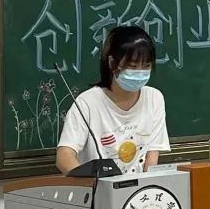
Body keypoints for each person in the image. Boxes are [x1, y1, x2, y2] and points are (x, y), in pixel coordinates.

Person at [56, 26, 170, 175]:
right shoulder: (87, 103)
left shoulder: (154, 98)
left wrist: (148, 184)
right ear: (112, 63)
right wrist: (91, 183)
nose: (140, 72)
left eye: (146, 66)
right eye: (132, 66)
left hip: (140, 188)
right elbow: (64, 157)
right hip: (97, 186)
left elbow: (152, 155)